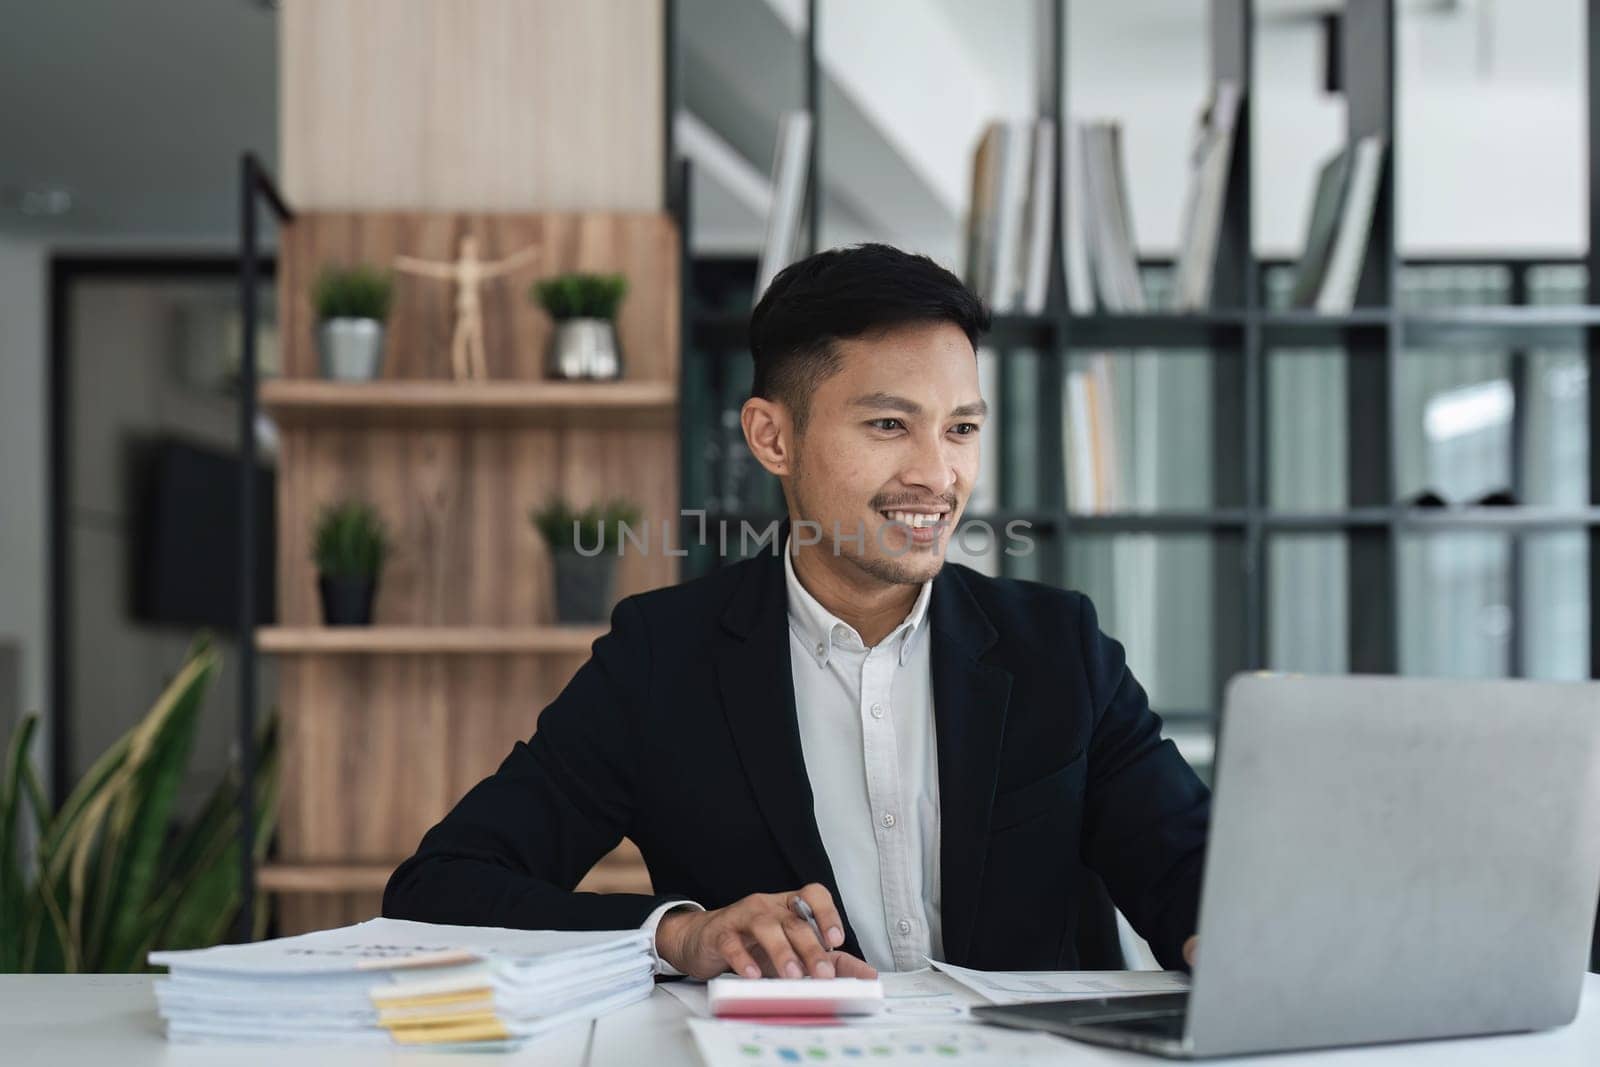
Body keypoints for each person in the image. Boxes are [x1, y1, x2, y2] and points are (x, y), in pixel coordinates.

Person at [384, 244, 1210, 981]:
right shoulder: (662, 659)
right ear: (772, 438)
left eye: (961, 428)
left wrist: (1225, 931)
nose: (938, 473)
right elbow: (441, 885)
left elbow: (1188, 868)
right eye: (890, 423)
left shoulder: (1061, 649)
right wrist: (681, 933)